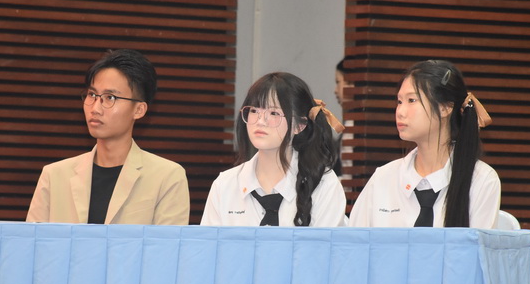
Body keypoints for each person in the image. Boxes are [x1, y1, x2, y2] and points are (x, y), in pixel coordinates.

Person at [26, 49, 190, 225]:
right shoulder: (54, 176)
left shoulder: (167, 177)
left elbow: (167, 242)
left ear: (139, 110)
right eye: (92, 95)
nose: (95, 108)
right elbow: (33, 240)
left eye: (110, 97)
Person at [348, 59, 500, 228]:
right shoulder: (383, 178)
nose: (400, 112)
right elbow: (353, 241)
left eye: (411, 100)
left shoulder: (481, 180)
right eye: (399, 101)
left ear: (445, 108)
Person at [201, 72, 346, 227]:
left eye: (274, 113)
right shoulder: (225, 185)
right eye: (254, 110)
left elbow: (326, 242)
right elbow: (208, 241)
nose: (260, 121)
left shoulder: (324, 184)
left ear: (299, 125)